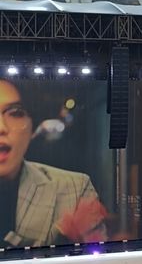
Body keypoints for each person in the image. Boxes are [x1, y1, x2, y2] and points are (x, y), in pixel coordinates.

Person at [0, 79, 107, 247]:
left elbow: (98, 257)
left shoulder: (74, 189)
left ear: (33, 127)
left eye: (15, 113)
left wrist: (80, 244)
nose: (1, 127)